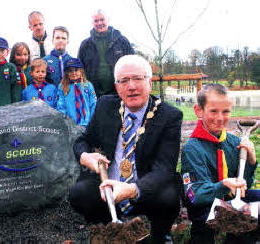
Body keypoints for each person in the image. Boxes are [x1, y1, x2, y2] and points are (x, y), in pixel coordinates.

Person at [69, 55, 183, 243]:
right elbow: (83, 140)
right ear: (117, 86)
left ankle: (158, 235)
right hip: (109, 187)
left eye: (138, 79)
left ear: (149, 82)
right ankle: (110, 228)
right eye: (124, 80)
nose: (131, 86)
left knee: (169, 197)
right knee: (79, 193)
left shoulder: (169, 116)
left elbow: (165, 168)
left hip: (143, 189)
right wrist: (84, 156)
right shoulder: (106, 106)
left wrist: (132, 189)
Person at [181, 83, 259, 243]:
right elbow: (195, 195)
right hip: (205, 207)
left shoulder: (234, 143)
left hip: (233, 201)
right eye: (213, 111)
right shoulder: (192, 149)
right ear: (199, 111)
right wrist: (223, 185)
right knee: (215, 222)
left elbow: (245, 187)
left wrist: (251, 162)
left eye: (225, 111)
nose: (220, 118)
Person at [78, 9, 134, 97]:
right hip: (93, 95)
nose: (100, 23)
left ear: (108, 20)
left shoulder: (122, 41)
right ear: (92, 23)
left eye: (102, 20)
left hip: (119, 93)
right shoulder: (85, 45)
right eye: (96, 21)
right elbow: (79, 70)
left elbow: (133, 65)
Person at [57, 58, 96, 127]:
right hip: (70, 124)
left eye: (76, 70)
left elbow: (93, 103)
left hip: (87, 123)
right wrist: (65, 120)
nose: (74, 73)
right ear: (66, 73)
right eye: (70, 71)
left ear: (81, 71)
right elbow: (61, 105)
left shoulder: (88, 85)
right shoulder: (62, 86)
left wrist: (92, 120)